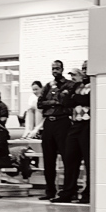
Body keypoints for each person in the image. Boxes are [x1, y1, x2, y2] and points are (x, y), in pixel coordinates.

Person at [52, 62, 90, 203]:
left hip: (88, 124)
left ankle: (88, 193)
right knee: (70, 158)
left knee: (88, 160)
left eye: (87, 68)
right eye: (84, 68)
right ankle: (69, 191)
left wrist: (74, 98)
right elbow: (65, 102)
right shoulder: (77, 86)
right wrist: (74, 97)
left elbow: (87, 99)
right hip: (75, 124)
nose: (85, 71)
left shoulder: (95, 84)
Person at [37, 60, 73, 200]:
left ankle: (68, 190)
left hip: (62, 122)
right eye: (53, 68)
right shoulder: (47, 86)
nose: (55, 71)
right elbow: (40, 104)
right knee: (48, 159)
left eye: (57, 68)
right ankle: (49, 191)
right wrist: (54, 102)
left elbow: (65, 102)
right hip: (49, 123)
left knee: (66, 157)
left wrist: (55, 101)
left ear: (62, 69)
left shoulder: (69, 85)